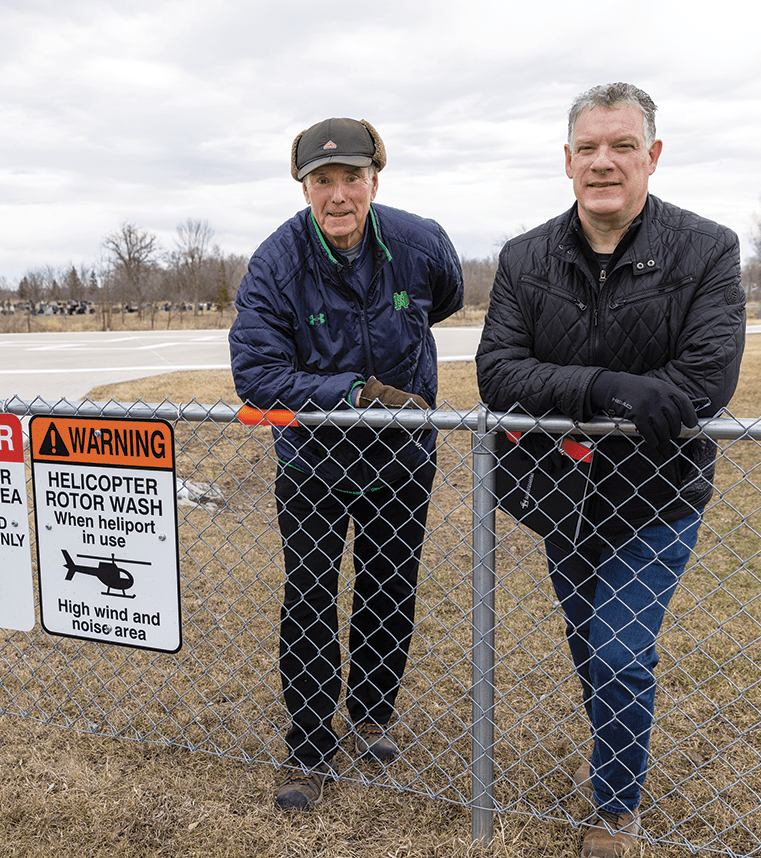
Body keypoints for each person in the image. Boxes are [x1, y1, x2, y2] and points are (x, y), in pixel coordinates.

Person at [476, 83, 745, 857]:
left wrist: (576, 389)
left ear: (651, 157)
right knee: (589, 645)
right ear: (566, 161)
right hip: (561, 496)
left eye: (622, 146)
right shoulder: (527, 257)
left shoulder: (705, 249)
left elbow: (704, 380)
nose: (603, 162)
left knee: (620, 651)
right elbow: (498, 371)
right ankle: (615, 754)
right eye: (588, 148)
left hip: (658, 496)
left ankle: (615, 809)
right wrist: (606, 388)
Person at [229, 117, 463, 812]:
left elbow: (440, 302)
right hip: (312, 466)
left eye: (351, 178)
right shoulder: (275, 263)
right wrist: (355, 393)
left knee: (389, 589)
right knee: (307, 599)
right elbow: (257, 374)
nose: (337, 195)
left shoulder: (420, 244)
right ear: (303, 187)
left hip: (401, 461)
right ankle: (308, 744)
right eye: (321, 181)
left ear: (374, 180)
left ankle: (369, 715)